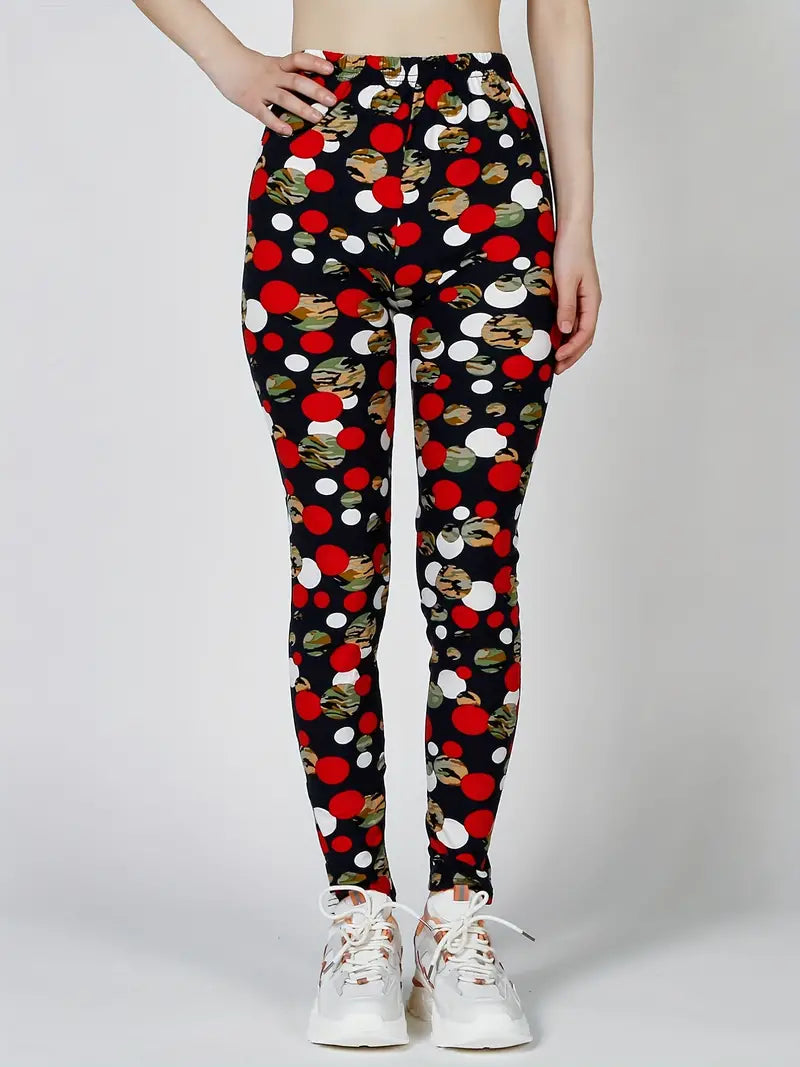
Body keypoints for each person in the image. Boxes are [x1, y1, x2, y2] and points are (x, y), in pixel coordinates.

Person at [133, 0, 600, 1050]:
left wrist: (576, 224)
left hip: (488, 161)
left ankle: (456, 914)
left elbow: (559, 10)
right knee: (335, 567)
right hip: (317, 165)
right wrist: (227, 61)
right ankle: (360, 913)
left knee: (472, 562)